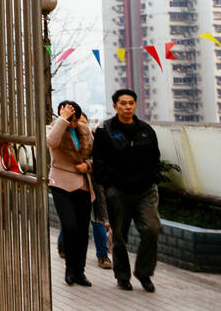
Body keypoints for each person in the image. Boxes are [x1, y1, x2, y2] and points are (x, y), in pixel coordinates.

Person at [92, 89, 162, 293]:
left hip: (145, 191)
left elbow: (155, 158)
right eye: (123, 103)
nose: (127, 106)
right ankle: (122, 275)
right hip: (118, 191)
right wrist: (107, 184)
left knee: (152, 229)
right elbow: (99, 161)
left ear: (136, 105)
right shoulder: (106, 130)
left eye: (131, 103)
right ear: (115, 106)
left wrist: (153, 178)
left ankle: (144, 272)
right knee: (120, 236)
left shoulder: (146, 130)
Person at [47, 100, 95, 287]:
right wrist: (63, 120)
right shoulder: (52, 129)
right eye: (65, 114)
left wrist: (88, 165)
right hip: (60, 183)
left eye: (72, 115)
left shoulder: (85, 131)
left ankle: (79, 271)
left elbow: (94, 155)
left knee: (83, 230)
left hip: (82, 183)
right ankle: (69, 268)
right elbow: (52, 142)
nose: (70, 119)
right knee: (70, 226)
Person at [55, 113, 111, 269]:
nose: (81, 126)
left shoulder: (94, 139)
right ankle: (63, 244)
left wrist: (89, 166)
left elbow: (101, 159)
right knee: (71, 222)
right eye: (78, 123)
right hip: (73, 186)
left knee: (97, 220)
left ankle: (102, 255)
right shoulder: (65, 139)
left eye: (84, 123)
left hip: (94, 185)